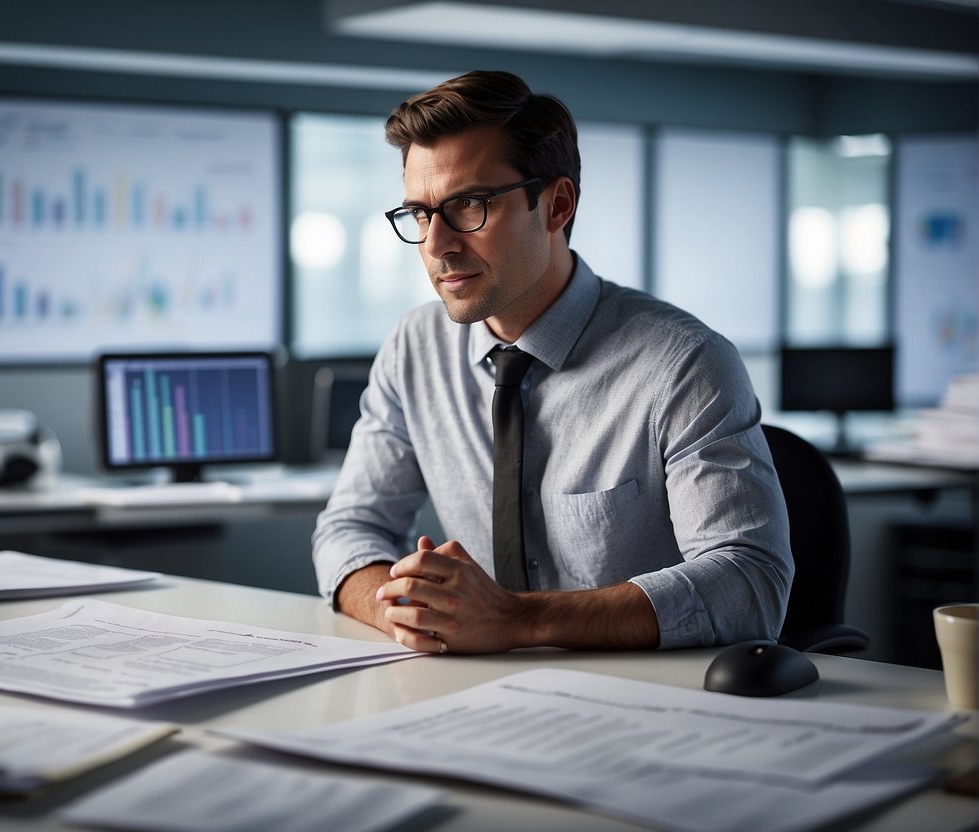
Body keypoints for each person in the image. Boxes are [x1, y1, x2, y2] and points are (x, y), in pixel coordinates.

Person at [312, 70, 793, 655]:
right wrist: (410, 614)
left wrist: (516, 621)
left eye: (469, 205)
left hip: (645, 703)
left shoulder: (684, 363)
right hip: (470, 695)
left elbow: (750, 583)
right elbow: (347, 531)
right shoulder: (414, 348)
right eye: (419, 213)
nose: (437, 244)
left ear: (556, 204)